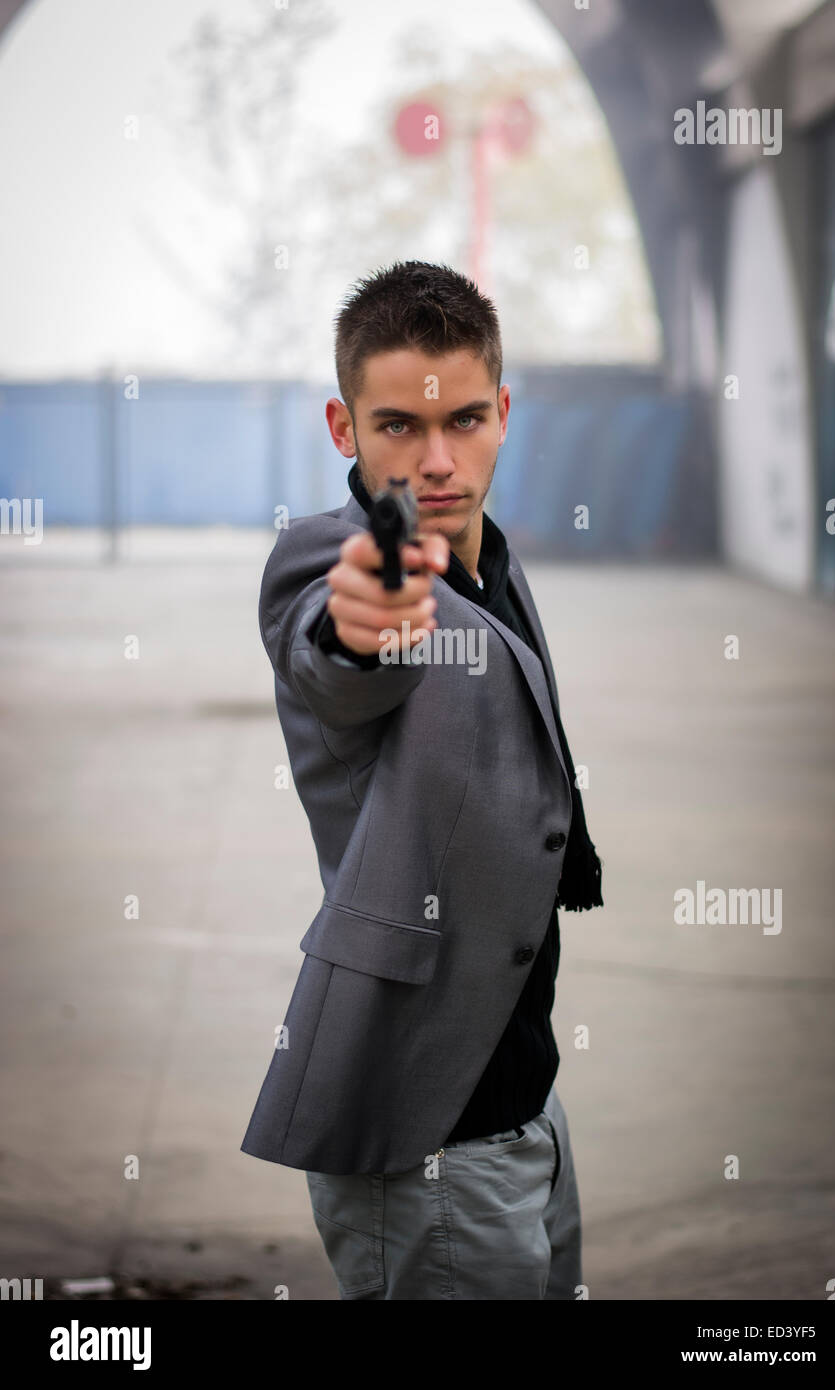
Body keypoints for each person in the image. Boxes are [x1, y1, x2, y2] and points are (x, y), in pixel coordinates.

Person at [240, 260, 603, 1300]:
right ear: (340, 426)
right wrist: (361, 627)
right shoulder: (329, 562)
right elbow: (336, 651)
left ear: (503, 412)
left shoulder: (487, 551)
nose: (436, 462)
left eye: (466, 420)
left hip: (518, 1085)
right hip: (428, 1124)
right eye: (397, 424)